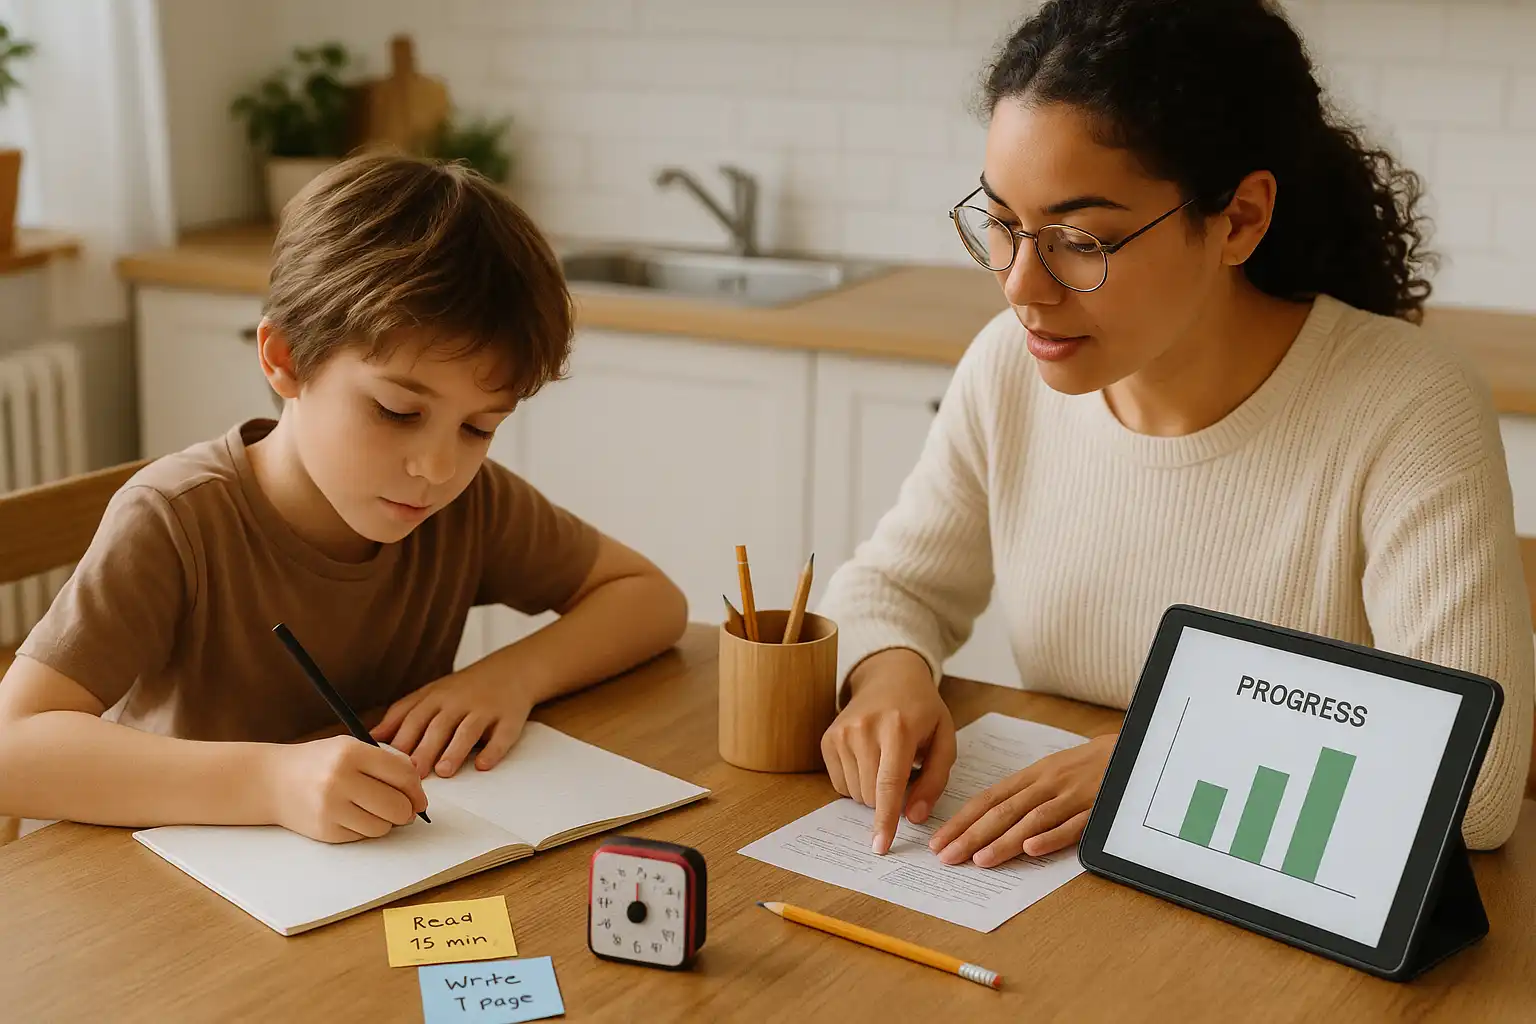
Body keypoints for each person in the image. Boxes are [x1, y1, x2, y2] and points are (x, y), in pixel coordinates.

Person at [817, 0, 1533, 866]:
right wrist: (890, 674)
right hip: (1060, 900)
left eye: (1081, 238)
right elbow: (892, 586)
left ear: (1239, 220)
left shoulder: (1408, 407)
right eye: (1003, 224)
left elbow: (1483, 783)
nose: (1021, 285)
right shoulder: (1011, 367)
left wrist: (1154, 762)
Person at [0, 153, 688, 844]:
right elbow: (12, 748)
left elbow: (649, 597)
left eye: (480, 427)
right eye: (396, 410)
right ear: (286, 359)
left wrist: (512, 676)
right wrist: (272, 782)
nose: (438, 466)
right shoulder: (175, 519)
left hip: (374, 872)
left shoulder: (470, 505)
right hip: (193, 886)